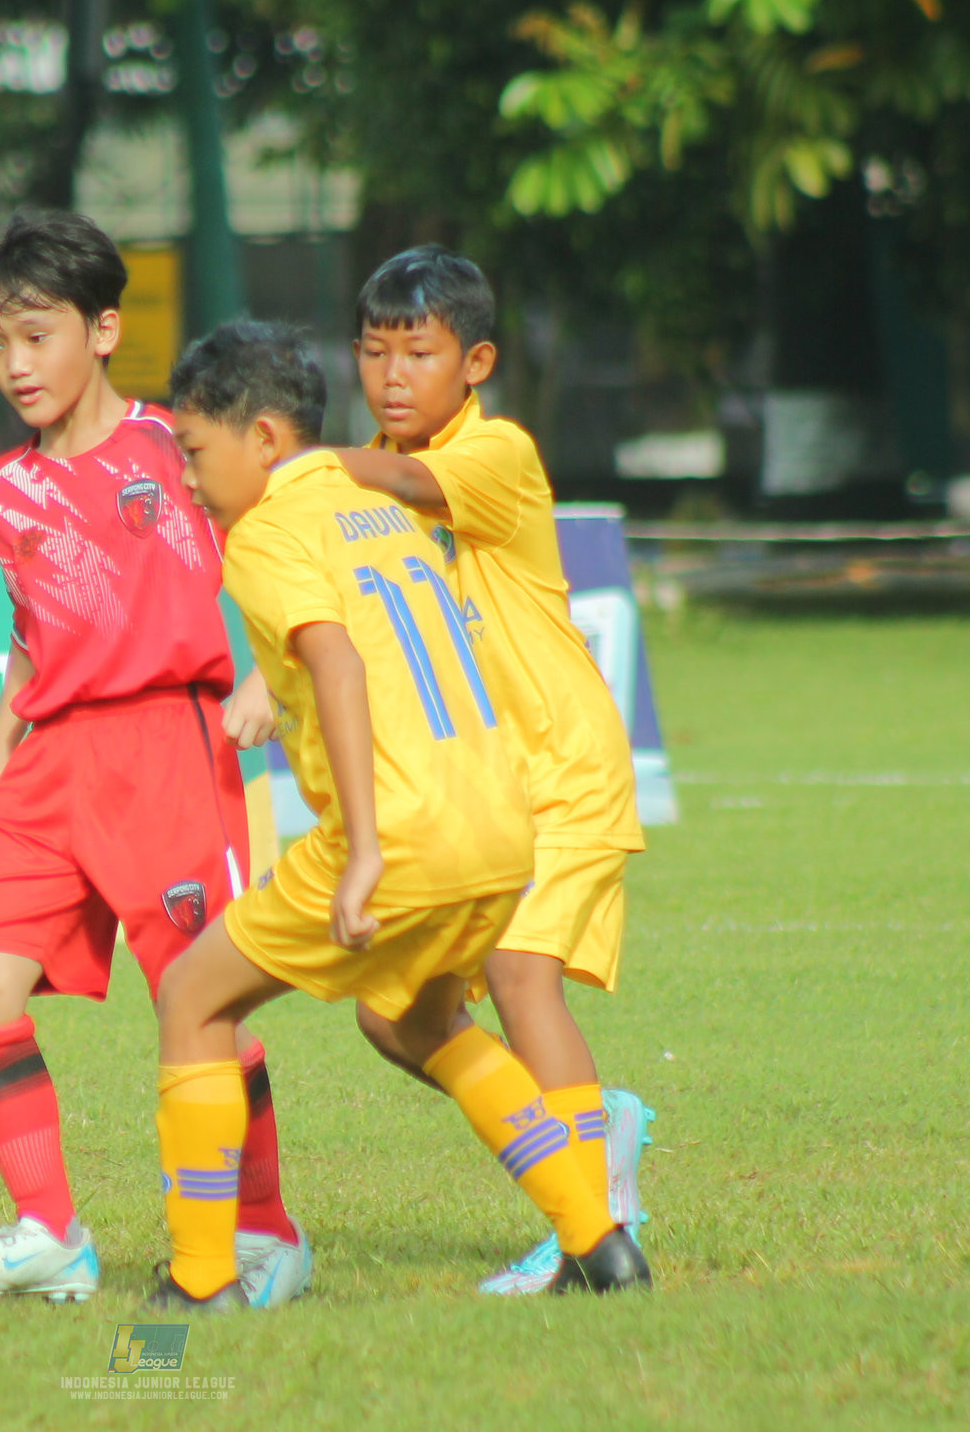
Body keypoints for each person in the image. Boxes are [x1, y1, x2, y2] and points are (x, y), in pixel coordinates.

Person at [151, 321, 650, 1308]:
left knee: (191, 998)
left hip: (404, 833)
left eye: (193, 452)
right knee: (410, 1016)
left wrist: (364, 851)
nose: (187, 480)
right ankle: (598, 1239)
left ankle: (200, 1274)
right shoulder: (375, 501)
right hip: (500, 825)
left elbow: (335, 660)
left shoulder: (258, 535)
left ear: (260, 437)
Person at [0, 210, 308, 1307]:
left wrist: (264, 676)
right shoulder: (3, 486)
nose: (14, 366)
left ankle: (265, 1229)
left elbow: (282, 554)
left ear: (101, 330)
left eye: (34, 336)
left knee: (199, 992)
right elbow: (28, 624)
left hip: (169, 743)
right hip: (51, 760)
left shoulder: (175, 444)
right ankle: (48, 1229)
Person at [329, 247, 653, 1294]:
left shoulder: (494, 452)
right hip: (475, 794)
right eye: (372, 352)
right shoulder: (358, 481)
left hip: (563, 771)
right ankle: (590, 1130)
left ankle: (589, 1232)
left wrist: (278, 461)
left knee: (518, 976)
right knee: (395, 1013)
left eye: (415, 353)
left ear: (473, 362)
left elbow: (403, 479)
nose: (390, 375)